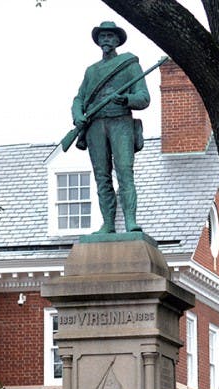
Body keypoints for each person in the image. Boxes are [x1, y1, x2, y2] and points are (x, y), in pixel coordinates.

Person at [72, 21, 150, 234]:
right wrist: (78, 115)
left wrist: (125, 99)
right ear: (98, 41)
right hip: (96, 125)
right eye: (103, 36)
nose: (106, 40)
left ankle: (130, 222)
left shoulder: (130, 64)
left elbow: (143, 98)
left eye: (110, 36)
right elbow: (79, 98)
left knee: (125, 172)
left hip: (120, 122)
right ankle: (108, 223)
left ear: (117, 40)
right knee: (102, 176)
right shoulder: (91, 71)